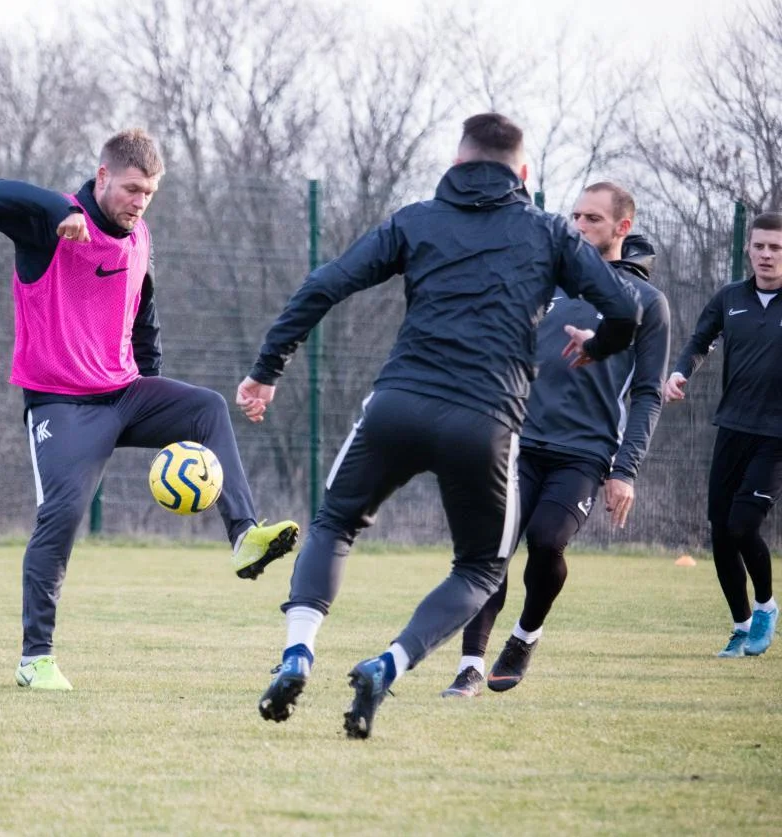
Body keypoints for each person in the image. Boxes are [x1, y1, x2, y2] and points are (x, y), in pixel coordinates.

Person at [241, 112, 641, 739]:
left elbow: (325, 284)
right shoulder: (548, 233)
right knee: (482, 568)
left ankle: (298, 653)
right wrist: (598, 344)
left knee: (334, 521)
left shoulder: (416, 219)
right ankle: (387, 664)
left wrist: (267, 369)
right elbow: (624, 307)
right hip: (483, 423)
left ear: (456, 164)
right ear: (525, 174)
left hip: (396, 406)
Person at [0, 128, 299, 692]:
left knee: (206, 408)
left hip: (125, 393)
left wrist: (151, 393)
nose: (139, 202)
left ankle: (244, 536)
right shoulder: (50, 225)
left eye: (148, 192)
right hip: (62, 403)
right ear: (102, 177)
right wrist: (58, 210)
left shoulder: (139, 236)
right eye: (130, 189)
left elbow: (142, 313)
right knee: (62, 516)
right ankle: (36, 658)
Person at [443, 183, 671, 698]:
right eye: (575, 216)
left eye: (592, 218)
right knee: (492, 548)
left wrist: (625, 470)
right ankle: (470, 666)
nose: (580, 225)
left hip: (585, 454)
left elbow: (648, 394)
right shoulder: (546, 285)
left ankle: (524, 637)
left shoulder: (646, 303)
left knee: (547, 540)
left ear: (622, 228)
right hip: (516, 442)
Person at [664, 211, 782, 658]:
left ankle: (766, 607)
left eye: (776, 247)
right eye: (760, 246)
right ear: (748, 249)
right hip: (732, 427)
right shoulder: (730, 297)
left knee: (743, 524)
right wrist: (679, 374)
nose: (766, 254)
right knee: (720, 532)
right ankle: (741, 625)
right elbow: (699, 341)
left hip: (776, 436)